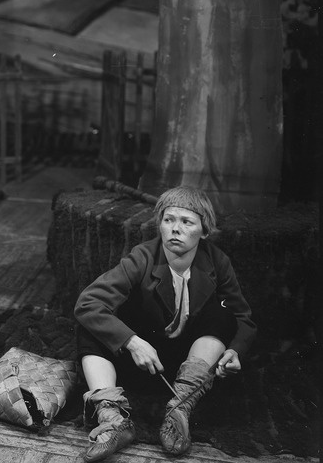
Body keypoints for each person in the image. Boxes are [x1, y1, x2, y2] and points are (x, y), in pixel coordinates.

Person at [73, 186, 256, 461]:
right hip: (143, 359)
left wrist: (235, 351)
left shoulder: (217, 261)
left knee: (222, 314)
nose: (175, 229)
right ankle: (112, 419)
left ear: (204, 231)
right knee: (90, 324)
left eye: (187, 222)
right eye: (168, 220)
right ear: (160, 224)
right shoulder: (142, 257)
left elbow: (243, 317)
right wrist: (132, 342)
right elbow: (88, 303)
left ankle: (180, 407)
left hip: (186, 363)